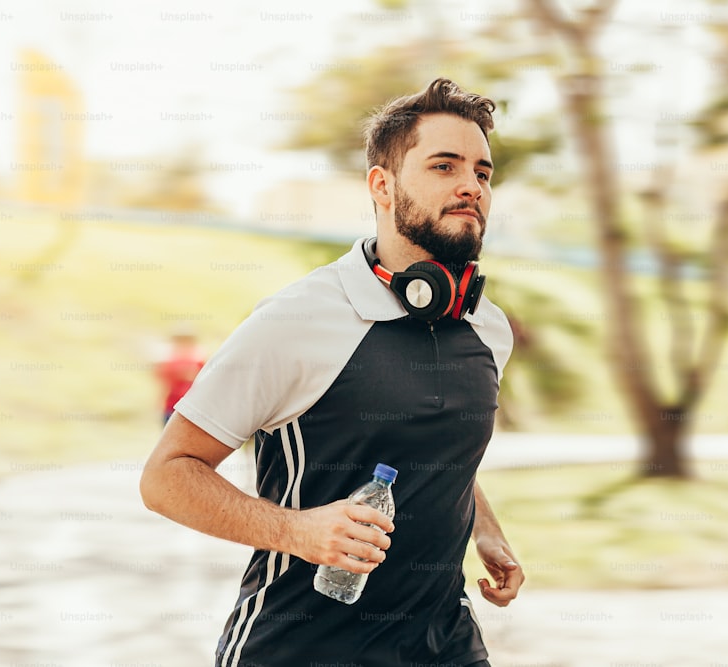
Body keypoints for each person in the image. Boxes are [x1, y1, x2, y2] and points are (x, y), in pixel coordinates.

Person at [140, 78, 524, 666]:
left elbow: (436, 442)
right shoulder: (297, 319)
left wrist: (485, 527)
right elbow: (166, 477)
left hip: (446, 643)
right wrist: (299, 532)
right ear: (382, 186)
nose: (470, 186)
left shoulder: (486, 327)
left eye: (482, 171)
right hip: (302, 647)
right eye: (444, 166)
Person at [153, 326, 206, 423]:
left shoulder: (198, 361)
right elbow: (164, 382)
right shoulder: (170, 363)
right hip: (172, 406)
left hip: (192, 407)